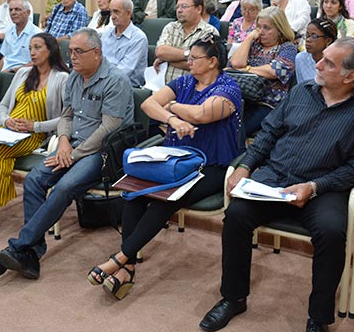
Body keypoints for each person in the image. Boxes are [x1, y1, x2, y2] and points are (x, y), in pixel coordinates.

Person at [199, 37, 354, 332]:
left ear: (350, 76)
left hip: (324, 188)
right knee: (236, 215)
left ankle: (318, 318)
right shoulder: (301, 92)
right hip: (276, 177)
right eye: (322, 58)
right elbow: (268, 133)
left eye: (328, 63)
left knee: (333, 232)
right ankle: (233, 298)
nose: (317, 64)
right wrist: (246, 166)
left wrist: (314, 187)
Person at [88, 35, 242, 300]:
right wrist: (172, 117)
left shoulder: (228, 88)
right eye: (188, 57)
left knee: (164, 200)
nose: (188, 61)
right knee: (133, 195)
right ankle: (130, 267)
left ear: (213, 62)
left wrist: (170, 106)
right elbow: (148, 104)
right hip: (174, 159)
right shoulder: (184, 81)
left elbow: (201, 114)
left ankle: (120, 259)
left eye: (194, 58)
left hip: (211, 165)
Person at [0, 28, 134, 279]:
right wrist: (64, 141)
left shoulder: (115, 81)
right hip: (71, 146)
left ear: (96, 53)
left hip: (102, 153)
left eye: (78, 51)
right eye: (70, 51)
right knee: (34, 180)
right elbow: (67, 116)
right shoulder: (74, 77)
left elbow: (109, 128)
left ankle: (19, 246)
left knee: (64, 187)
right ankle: (31, 253)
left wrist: (73, 154)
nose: (72, 56)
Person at [0, 33, 69, 237]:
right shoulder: (23, 74)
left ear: (50, 50)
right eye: (30, 48)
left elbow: (65, 118)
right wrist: (7, 120)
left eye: (37, 48)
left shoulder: (62, 78)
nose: (32, 53)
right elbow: (3, 106)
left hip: (35, 135)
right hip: (9, 130)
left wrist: (34, 126)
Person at [229, 6, 298, 135]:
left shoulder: (288, 48)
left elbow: (274, 71)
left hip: (268, 103)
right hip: (243, 97)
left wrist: (246, 69)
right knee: (221, 119)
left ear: (279, 29)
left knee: (237, 126)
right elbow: (236, 63)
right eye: (259, 27)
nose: (261, 32)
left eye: (266, 28)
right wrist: (249, 38)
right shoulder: (254, 44)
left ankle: (242, 155)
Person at [155, 0, 219, 84]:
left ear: (199, 9)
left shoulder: (209, 32)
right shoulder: (171, 27)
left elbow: (202, 66)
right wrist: (189, 55)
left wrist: (168, 60)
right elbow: (161, 52)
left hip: (192, 90)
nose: (179, 10)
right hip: (163, 87)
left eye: (184, 6)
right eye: (177, 7)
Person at [101, 0, 149, 87]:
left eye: (116, 12)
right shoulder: (106, 34)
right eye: (111, 12)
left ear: (128, 13)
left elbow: (123, 72)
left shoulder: (138, 38)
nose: (112, 17)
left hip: (125, 86)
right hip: (104, 82)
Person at [0, 0, 42, 73]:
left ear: (28, 13)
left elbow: (38, 61)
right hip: (6, 72)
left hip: (25, 73)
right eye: (10, 10)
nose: (13, 13)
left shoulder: (37, 34)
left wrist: (13, 71)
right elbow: (5, 57)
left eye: (17, 9)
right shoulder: (9, 31)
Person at [295, 18, 337, 82]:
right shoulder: (301, 58)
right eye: (307, 35)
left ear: (328, 41)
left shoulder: (337, 62)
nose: (308, 40)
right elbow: (301, 88)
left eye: (314, 36)